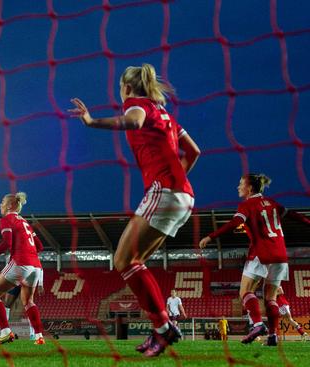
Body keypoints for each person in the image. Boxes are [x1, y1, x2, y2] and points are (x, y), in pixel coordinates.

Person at [69, 63, 200, 357]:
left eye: (119, 87)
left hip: (164, 191)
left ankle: (164, 327)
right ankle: (162, 329)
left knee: (122, 260)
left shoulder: (136, 104)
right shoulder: (165, 114)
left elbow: (134, 121)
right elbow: (194, 151)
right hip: (183, 195)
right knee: (134, 262)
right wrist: (178, 182)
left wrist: (91, 122)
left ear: (126, 87)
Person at [199, 174, 310, 347]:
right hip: (281, 255)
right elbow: (294, 215)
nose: (238, 187)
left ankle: (258, 325)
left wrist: (211, 236)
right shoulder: (273, 203)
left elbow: (236, 222)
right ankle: (272, 336)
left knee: (244, 292)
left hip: (261, 253)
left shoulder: (247, 204)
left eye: (240, 184)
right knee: (270, 298)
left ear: (249, 188)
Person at [0, 192, 45, 345]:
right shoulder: (26, 222)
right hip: (36, 267)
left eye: (2, 202)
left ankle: (5, 332)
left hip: (21, 262)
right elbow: (40, 246)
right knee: (28, 301)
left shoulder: (7, 219)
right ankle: (39, 336)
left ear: (9, 205)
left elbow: (7, 243)